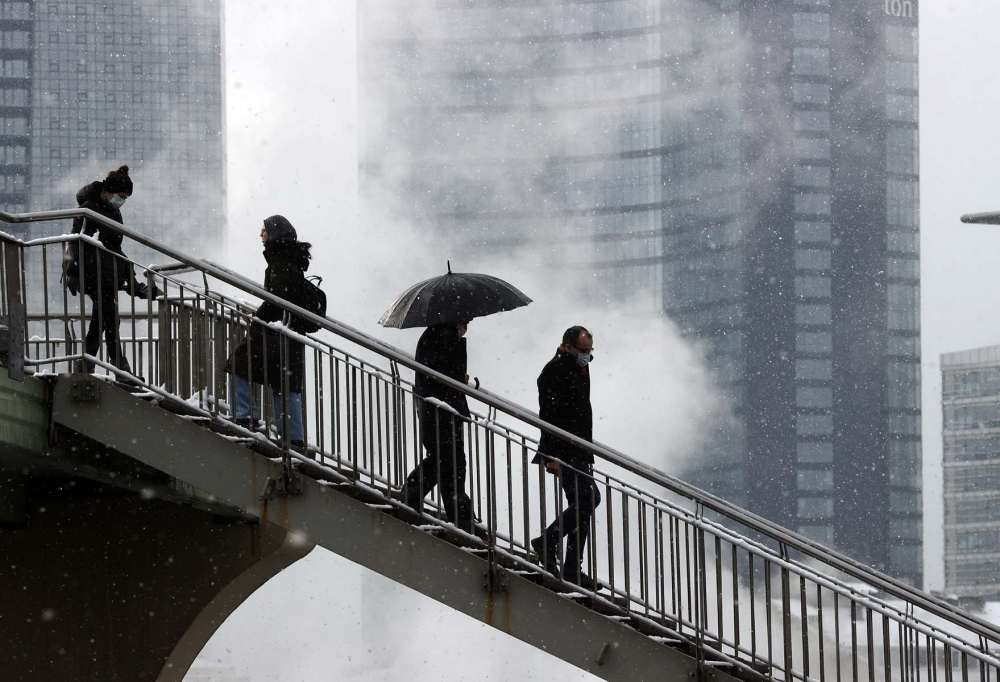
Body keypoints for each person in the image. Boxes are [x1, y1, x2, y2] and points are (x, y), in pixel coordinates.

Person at [225, 215, 310, 450]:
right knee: (285, 382)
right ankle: (293, 439)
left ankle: (244, 416)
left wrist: (258, 319)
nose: (261, 235)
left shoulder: (280, 260)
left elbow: (276, 297)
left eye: (264, 230)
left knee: (237, 363)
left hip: (276, 332)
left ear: (275, 234)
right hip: (288, 333)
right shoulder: (289, 258)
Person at [65, 165, 153, 376]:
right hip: (93, 275)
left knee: (100, 323)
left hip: (105, 276)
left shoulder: (112, 211)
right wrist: (72, 271)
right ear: (110, 191)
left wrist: (133, 283)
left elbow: (115, 250)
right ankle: (121, 370)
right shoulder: (90, 207)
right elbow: (75, 240)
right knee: (111, 321)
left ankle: (85, 367)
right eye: (121, 196)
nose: (122, 201)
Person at [531, 325, 601, 589]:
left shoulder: (579, 367)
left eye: (590, 351)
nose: (588, 356)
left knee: (583, 506)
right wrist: (551, 455)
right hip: (564, 450)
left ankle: (572, 567)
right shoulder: (554, 371)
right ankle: (547, 543)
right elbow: (548, 416)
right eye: (584, 350)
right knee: (589, 499)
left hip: (580, 449)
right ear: (569, 347)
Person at [398, 320, 475, 533]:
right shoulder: (441, 334)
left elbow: (441, 370)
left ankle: (462, 518)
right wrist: (460, 377)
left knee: (454, 462)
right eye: (466, 318)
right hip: (439, 409)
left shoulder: (442, 334)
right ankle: (410, 496)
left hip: (444, 409)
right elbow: (438, 371)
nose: (468, 323)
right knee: (445, 458)